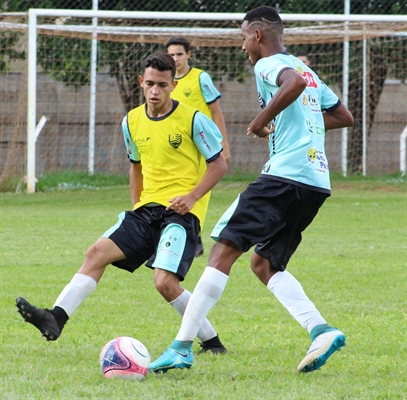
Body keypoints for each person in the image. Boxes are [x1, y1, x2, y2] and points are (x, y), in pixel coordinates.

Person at [150, 6, 354, 374]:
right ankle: (320, 329)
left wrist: (261, 120)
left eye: (244, 37)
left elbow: (291, 84)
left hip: (283, 176)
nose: (243, 46)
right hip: (315, 181)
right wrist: (301, 124)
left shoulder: (269, 64)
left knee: (222, 252)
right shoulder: (307, 68)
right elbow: (343, 116)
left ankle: (182, 346)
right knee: (264, 263)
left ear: (257, 35)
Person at [16, 52, 228, 355]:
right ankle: (55, 318)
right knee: (96, 252)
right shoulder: (131, 121)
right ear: (142, 82)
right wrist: (135, 207)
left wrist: (192, 197)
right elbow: (136, 166)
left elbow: (219, 164)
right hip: (145, 211)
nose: (155, 91)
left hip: (181, 215)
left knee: (164, 283)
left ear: (173, 86)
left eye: (163, 85)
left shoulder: (194, 119)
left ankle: (211, 342)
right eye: (151, 84)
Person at [166, 37, 231, 258]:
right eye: (171, 55)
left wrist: (223, 143)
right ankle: (187, 237)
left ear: (188, 55)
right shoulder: (166, 82)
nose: (175, 59)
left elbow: (216, 111)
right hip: (179, 148)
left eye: (179, 54)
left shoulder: (201, 78)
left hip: (203, 146)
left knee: (198, 190)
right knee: (177, 189)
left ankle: (195, 239)